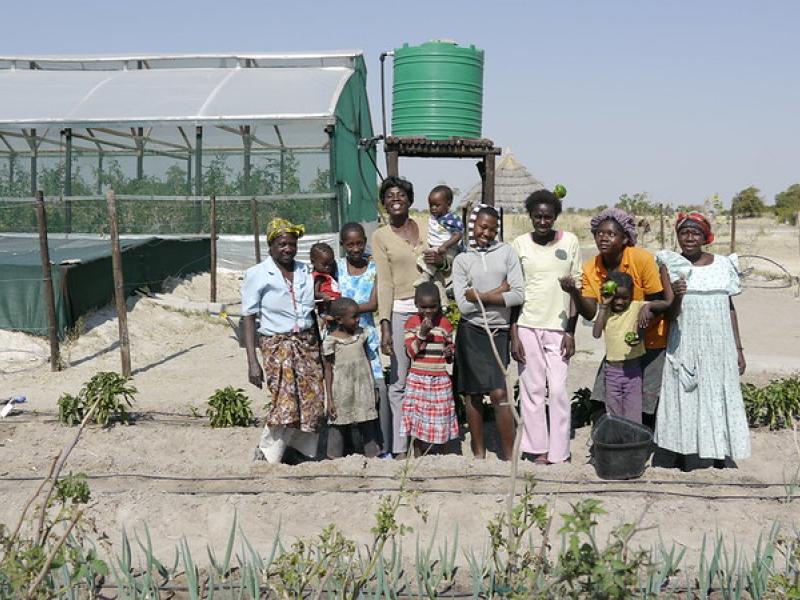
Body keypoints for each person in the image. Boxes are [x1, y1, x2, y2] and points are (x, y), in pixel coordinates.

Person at [653, 212, 751, 470]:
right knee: (686, 392)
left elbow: (730, 308)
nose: (689, 237)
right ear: (677, 236)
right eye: (684, 232)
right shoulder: (670, 264)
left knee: (718, 392)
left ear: (705, 237)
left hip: (720, 343)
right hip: (686, 340)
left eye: (695, 232)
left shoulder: (723, 264)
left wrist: (738, 348)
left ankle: (719, 452)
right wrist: (679, 296)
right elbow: (671, 314)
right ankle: (685, 453)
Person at [560, 207, 668, 427]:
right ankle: (610, 445)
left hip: (652, 339)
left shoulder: (641, 259)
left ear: (625, 238)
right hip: (619, 343)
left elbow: (657, 302)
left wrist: (637, 331)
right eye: (599, 233)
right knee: (601, 398)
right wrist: (574, 292)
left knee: (645, 403)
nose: (604, 238)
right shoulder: (592, 268)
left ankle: (638, 448)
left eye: (611, 234)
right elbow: (590, 312)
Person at [373, 176, 447, 458]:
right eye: (390, 196)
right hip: (402, 312)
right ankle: (400, 446)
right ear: (384, 202)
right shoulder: (381, 237)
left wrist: (443, 262)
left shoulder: (429, 227)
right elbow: (384, 282)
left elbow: (447, 260)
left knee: (433, 375)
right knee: (400, 381)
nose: (395, 200)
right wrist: (386, 324)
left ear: (409, 200)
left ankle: (428, 442)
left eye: (400, 195)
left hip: (432, 310)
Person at [242, 218, 326, 464]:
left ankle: (302, 452)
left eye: (291, 244)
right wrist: (252, 361)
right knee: (285, 401)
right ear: (271, 246)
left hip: (307, 343)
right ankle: (268, 453)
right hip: (277, 345)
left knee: (312, 398)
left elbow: (313, 309)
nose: (287, 249)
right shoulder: (257, 274)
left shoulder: (305, 271)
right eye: (281, 244)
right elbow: (248, 317)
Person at [510, 189, 582, 464]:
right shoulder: (519, 244)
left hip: (558, 327)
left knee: (559, 389)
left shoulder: (571, 242)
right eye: (537, 216)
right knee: (532, 389)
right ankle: (537, 448)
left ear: (555, 217)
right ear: (530, 216)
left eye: (548, 217)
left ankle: (559, 451)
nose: (542, 221)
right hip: (527, 324)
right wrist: (514, 333)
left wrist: (571, 332)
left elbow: (578, 289)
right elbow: (516, 291)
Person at [452, 205, 524, 460]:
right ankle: (478, 452)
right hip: (471, 331)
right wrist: (499, 292)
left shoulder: (507, 253)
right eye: (483, 227)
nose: (487, 233)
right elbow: (463, 305)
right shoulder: (462, 259)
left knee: (499, 392)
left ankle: (508, 455)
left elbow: (518, 294)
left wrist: (481, 296)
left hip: (498, 331)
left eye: (493, 229)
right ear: (473, 226)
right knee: (472, 393)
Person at [336, 222, 392, 458]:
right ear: (343, 245)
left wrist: (344, 311)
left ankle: (384, 445)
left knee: (376, 386)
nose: (356, 248)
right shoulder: (337, 268)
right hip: (340, 339)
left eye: (360, 243)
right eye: (350, 244)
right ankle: (348, 445)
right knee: (343, 389)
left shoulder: (374, 267)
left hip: (367, 336)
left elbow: (374, 303)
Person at [591, 271, 668, 423]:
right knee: (614, 416)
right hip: (612, 373)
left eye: (624, 298)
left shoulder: (636, 307)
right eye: (616, 297)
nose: (619, 302)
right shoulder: (606, 312)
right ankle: (618, 445)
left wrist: (649, 306)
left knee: (633, 416)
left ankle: (631, 445)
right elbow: (596, 333)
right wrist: (604, 306)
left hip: (633, 374)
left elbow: (666, 304)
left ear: (632, 295)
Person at [401, 282, 459, 456]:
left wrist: (450, 352)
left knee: (441, 419)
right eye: (423, 307)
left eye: (432, 307)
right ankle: (419, 454)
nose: (428, 311)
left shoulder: (445, 324)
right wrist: (422, 334)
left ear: (439, 304)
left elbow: (449, 353)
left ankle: (442, 456)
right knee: (418, 418)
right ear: (416, 305)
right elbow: (411, 353)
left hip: (439, 377)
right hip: (418, 377)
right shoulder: (412, 323)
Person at [322, 297, 381, 459]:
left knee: (367, 421)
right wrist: (330, 399)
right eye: (354, 317)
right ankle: (334, 458)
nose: (358, 320)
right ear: (340, 320)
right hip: (342, 389)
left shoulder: (361, 334)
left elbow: (367, 360)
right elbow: (328, 370)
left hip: (363, 385)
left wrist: (373, 385)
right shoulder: (331, 342)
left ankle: (373, 455)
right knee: (338, 423)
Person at [414, 185, 464, 291]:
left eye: (437, 205)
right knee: (437, 278)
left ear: (448, 204)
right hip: (437, 247)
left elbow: (458, 234)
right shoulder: (433, 219)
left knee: (427, 259)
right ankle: (443, 301)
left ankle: (425, 277)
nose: (433, 208)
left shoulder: (450, 219)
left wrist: (445, 246)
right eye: (431, 205)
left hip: (447, 249)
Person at [310, 242, 341, 314]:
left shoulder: (329, 274)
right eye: (324, 264)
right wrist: (323, 295)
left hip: (334, 301)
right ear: (313, 261)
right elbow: (315, 292)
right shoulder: (318, 277)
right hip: (326, 304)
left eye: (330, 264)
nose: (327, 267)